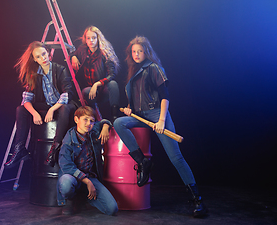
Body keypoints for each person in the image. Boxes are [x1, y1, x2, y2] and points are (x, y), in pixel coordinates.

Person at [113, 36, 208, 218]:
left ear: (146, 51)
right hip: (141, 116)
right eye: (134, 51)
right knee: (119, 123)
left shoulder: (154, 68)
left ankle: (197, 200)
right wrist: (129, 110)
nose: (136, 54)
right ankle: (143, 161)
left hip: (157, 114)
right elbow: (138, 100)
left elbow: (164, 96)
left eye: (140, 51)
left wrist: (162, 120)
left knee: (176, 158)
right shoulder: (133, 72)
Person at [5, 41, 76, 168]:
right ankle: (20, 148)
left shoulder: (60, 69)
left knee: (65, 108)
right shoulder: (33, 74)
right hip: (46, 105)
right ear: (34, 59)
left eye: (44, 54)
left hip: (62, 105)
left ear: (48, 53)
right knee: (21, 109)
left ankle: (55, 149)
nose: (43, 58)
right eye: (38, 57)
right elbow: (26, 99)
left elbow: (67, 94)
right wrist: (34, 113)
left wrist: (52, 109)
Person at [57, 106, 118, 216]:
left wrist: (105, 126)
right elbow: (66, 166)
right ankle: (71, 200)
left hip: (90, 177)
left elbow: (104, 121)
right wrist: (87, 181)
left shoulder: (93, 131)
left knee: (112, 209)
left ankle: (84, 197)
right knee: (66, 182)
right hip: (73, 177)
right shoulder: (68, 140)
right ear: (76, 120)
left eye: (91, 121)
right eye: (85, 119)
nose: (88, 123)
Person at [70, 26, 120, 121]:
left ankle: (115, 116)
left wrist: (97, 84)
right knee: (86, 91)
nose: (91, 40)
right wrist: (73, 57)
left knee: (113, 84)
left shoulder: (104, 53)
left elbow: (112, 74)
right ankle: (93, 116)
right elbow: (72, 53)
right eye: (88, 38)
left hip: (102, 88)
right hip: (89, 90)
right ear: (85, 39)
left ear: (98, 38)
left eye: (94, 38)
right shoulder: (82, 50)